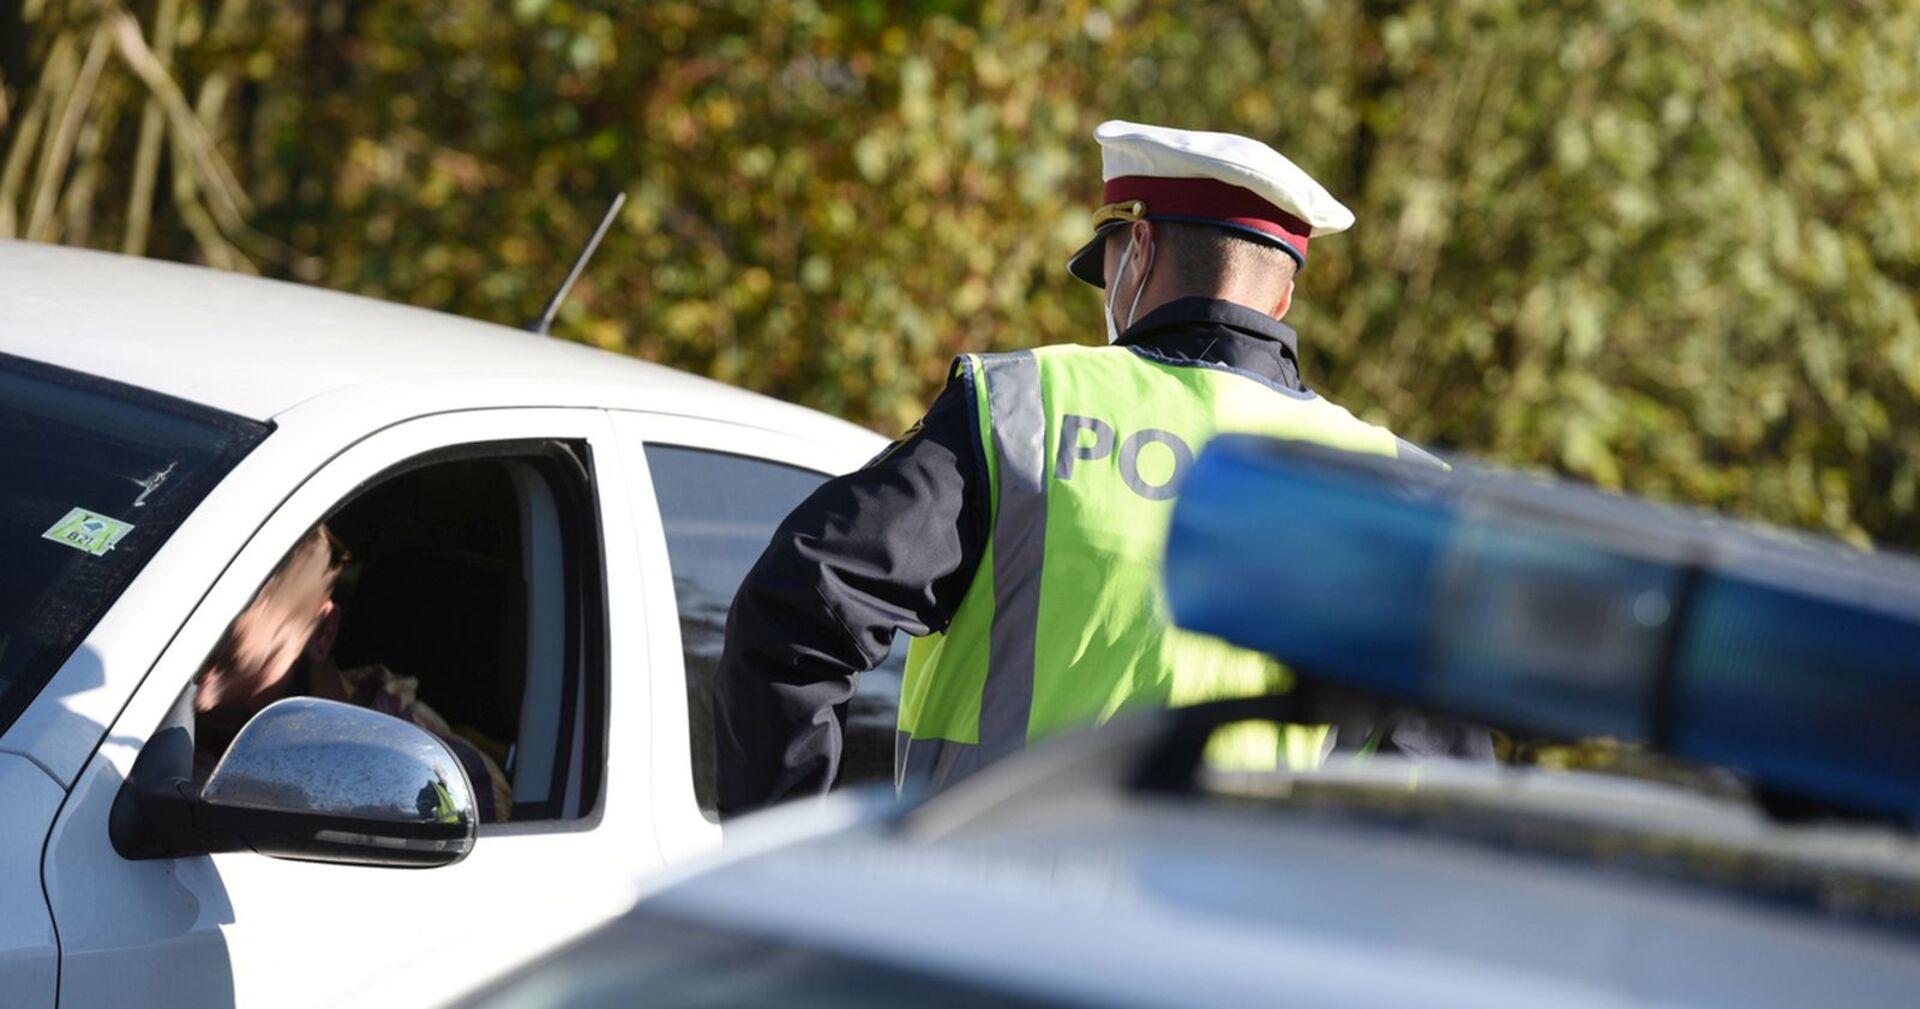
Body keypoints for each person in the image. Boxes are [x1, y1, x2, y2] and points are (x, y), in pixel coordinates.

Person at [713, 120, 1484, 818]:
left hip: (974, 941)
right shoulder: (1393, 488)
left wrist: (780, 864)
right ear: (1281, 296)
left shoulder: (1023, 407)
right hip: (1227, 962)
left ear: (1139, 252)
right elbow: (1438, 783)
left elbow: (797, 606)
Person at [194, 523, 515, 820]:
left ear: (321, 633)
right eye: (195, 666)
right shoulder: (189, 728)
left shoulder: (448, 775)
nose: (200, 700)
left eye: (232, 666)